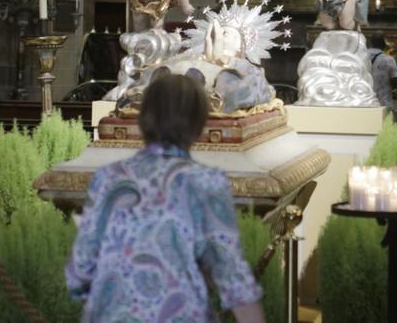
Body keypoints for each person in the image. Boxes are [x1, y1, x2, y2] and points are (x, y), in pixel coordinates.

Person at [67, 74, 267, 322]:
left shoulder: (108, 178)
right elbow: (231, 273)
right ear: (199, 122)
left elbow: (80, 269)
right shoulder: (205, 182)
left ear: (143, 117)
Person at [367, 35, 397, 112]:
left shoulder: (361, 57)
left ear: (370, 44)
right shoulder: (388, 60)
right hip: (383, 102)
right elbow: (396, 82)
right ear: (384, 46)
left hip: (364, 103)